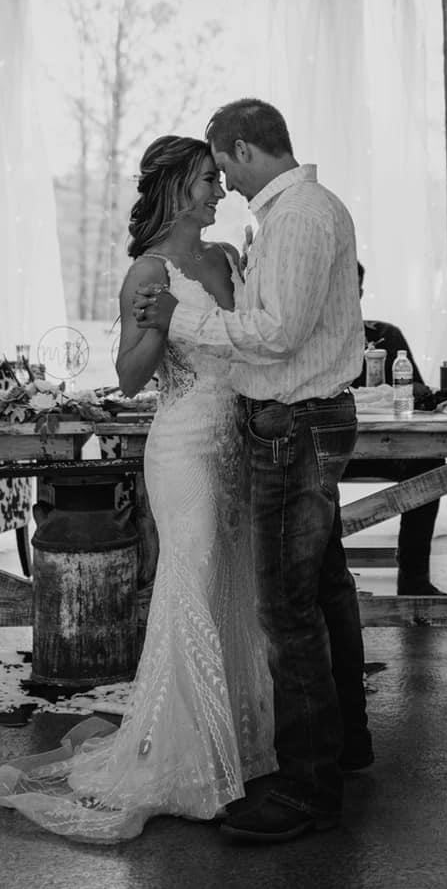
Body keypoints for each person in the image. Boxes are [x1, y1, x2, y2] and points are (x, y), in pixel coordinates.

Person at [0, 136, 273, 843]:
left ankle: (234, 744)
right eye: (211, 180)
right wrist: (156, 322)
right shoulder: (149, 272)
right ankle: (179, 759)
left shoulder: (230, 258)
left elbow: (249, 341)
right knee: (189, 583)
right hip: (182, 445)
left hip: (238, 441)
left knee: (233, 587)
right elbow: (129, 377)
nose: (220, 191)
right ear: (180, 187)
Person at [134, 98, 368, 844]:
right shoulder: (285, 217)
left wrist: (180, 318)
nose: (223, 187)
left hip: (295, 425)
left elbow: (274, 333)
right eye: (206, 178)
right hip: (255, 426)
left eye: (222, 168)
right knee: (322, 587)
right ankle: (343, 745)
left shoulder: (298, 216)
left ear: (241, 149)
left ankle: (307, 786)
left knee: (288, 607)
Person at [350, 267, 446, 597]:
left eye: (357, 287)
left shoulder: (386, 333)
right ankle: (329, 576)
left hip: (384, 446)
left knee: (429, 462)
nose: (353, 294)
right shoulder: (313, 340)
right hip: (331, 449)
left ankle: (413, 577)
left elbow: (418, 389)